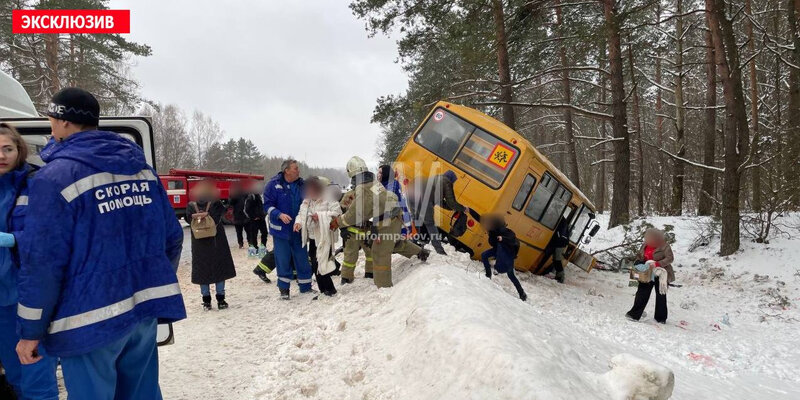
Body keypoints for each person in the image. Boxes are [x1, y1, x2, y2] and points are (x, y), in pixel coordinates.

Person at [15, 88, 185, 399]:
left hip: (88, 321)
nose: (50, 124)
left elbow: (42, 264)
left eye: (51, 118)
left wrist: (31, 331)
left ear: (64, 122)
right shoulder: (141, 169)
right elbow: (172, 237)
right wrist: (151, 281)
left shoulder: (53, 178)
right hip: (141, 312)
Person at [0, 123, 58, 399]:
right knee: (14, 374)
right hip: (1, 300)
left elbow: (50, 235)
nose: (1, 156)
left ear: (19, 150)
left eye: (7, 149)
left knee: (36, 373)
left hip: (29, 296)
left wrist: (13, 239)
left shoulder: (36, 183)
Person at [330, 156, 428, 288]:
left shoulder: (362, 188)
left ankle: (384, 287)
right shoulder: (374, 183)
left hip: (386, 220)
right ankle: (420, 252)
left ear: (351, 173)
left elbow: (356, 214)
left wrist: (338, 222)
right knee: (394, 242)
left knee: (379, 253)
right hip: (393, 217)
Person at [263, 159, 314, 300]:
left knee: (302, 259)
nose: (298, 170)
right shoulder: (273, 185)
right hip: (281, 231)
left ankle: (306, 287)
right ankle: (284, 290)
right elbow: (267, 205)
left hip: (298, 230)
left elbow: (308, 204)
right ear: (287, 170)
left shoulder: (302, 185)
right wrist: (278, 214)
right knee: (283, 260)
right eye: (295, 168)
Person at [189, 181, 237, 311]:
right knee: (219, 269)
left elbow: (189, 220)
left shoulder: (191, 206)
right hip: (216, 242)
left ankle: (206, 301)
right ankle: (221, 300)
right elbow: (224, 213)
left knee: (202, 271)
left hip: (199, 244)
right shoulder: (216, 203)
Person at [294, 176, 340, 296]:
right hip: (313, 237)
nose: (308, 192)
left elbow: (337, 213)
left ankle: (330, 290)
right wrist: (298, 223)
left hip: (325, 237)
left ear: (317, 187)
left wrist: (319, 216)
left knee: (321, 264)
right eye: (307, 190)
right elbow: (301, 214)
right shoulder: (307, 201)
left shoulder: (328, 198)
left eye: (310, 189)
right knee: (315, 265)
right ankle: (324, 290)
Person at [626, 228, 675, 324]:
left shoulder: (665, 246)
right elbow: (640, 255)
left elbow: (670, 258)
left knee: (661, 295)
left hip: (661, 273)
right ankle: (634, 314)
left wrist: (658, 263)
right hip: (647, 272)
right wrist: (638, 263)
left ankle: (660, 318)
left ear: (657, 239)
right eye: (647, 239)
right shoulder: (645, 245)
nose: (648, 241)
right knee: (641, 293)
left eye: (650, 239)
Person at [414, 170, 468, 255]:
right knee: (427, 227)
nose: (453, 183)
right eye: (453, 181)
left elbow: (440, 202)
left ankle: (419, 246)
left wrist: (452, 208)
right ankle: (421, 249)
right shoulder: (446, 182)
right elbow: (451, 202)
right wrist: (463, 208)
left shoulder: (437, 179)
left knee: (422, 227)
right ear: (451, 179)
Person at [481, 215, 527, 301]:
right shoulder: (493, 231)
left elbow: (512, 239)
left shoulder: (507, 232)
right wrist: (469, 210)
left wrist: (503, 238)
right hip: (498, 251)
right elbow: (478, 218)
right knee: (484, 255)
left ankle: (522, 293)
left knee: (511, 275)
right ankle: (488, 275)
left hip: (507, 254)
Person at [338, 188, 374, 283]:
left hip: (366, 229)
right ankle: (346, 277)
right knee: (351, 255)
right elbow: (340, 213)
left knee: (371, 251)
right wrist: (343, 229)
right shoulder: (349, 195)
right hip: (351, 231)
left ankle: (370, 272)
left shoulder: (370, 193)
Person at [378, 164, 413, 236]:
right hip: (393, 218)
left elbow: (387, 200)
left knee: (401, 240)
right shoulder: (383, 184)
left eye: (380, 172)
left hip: (400, 218)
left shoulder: (392, 184)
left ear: (386, 174)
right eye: (378, 172)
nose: (378, 174)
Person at [542, 217, 571, 284]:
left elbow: (559, 234)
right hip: (559, 242)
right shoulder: (561, 220)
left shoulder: (562, 221)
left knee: (557, 260)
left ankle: (561, 277)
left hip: (561, 243)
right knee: (554, 258)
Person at [244, 184, 268, 257]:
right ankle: (255, 249)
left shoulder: (260, 196)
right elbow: (246, 210)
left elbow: (263, 206)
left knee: (264, 233)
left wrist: (264, 214)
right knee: (253, 235)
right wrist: (253, 217)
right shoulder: (250, 197)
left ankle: (263, 248)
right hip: (254, 220)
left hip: (261, 219)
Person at [229, 183, 249, 249]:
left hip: (245, 216)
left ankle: (250, 242)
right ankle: (240, 244)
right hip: (237, 217)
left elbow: (248, 199)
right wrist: (232, 194)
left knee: (248, 231)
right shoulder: (233, 196)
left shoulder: (244, 194)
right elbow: (230, 203)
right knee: (239, 232)